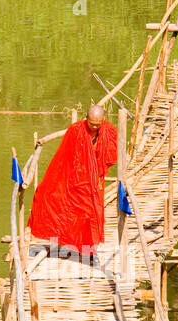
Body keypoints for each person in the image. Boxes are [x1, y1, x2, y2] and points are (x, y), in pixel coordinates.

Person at [28, 103, 118, 254]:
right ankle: (70, 247)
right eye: (91, 124)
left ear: (103, 120)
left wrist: (96, 171)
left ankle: (89, 250)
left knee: (91, 216)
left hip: (95, 181)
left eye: (98, 124)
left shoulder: (109, 131)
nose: (94, 127)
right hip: (77, 180)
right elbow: (64, 157)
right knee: (71, 213)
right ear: (86, 118)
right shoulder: (75, 130)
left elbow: (110, 157)